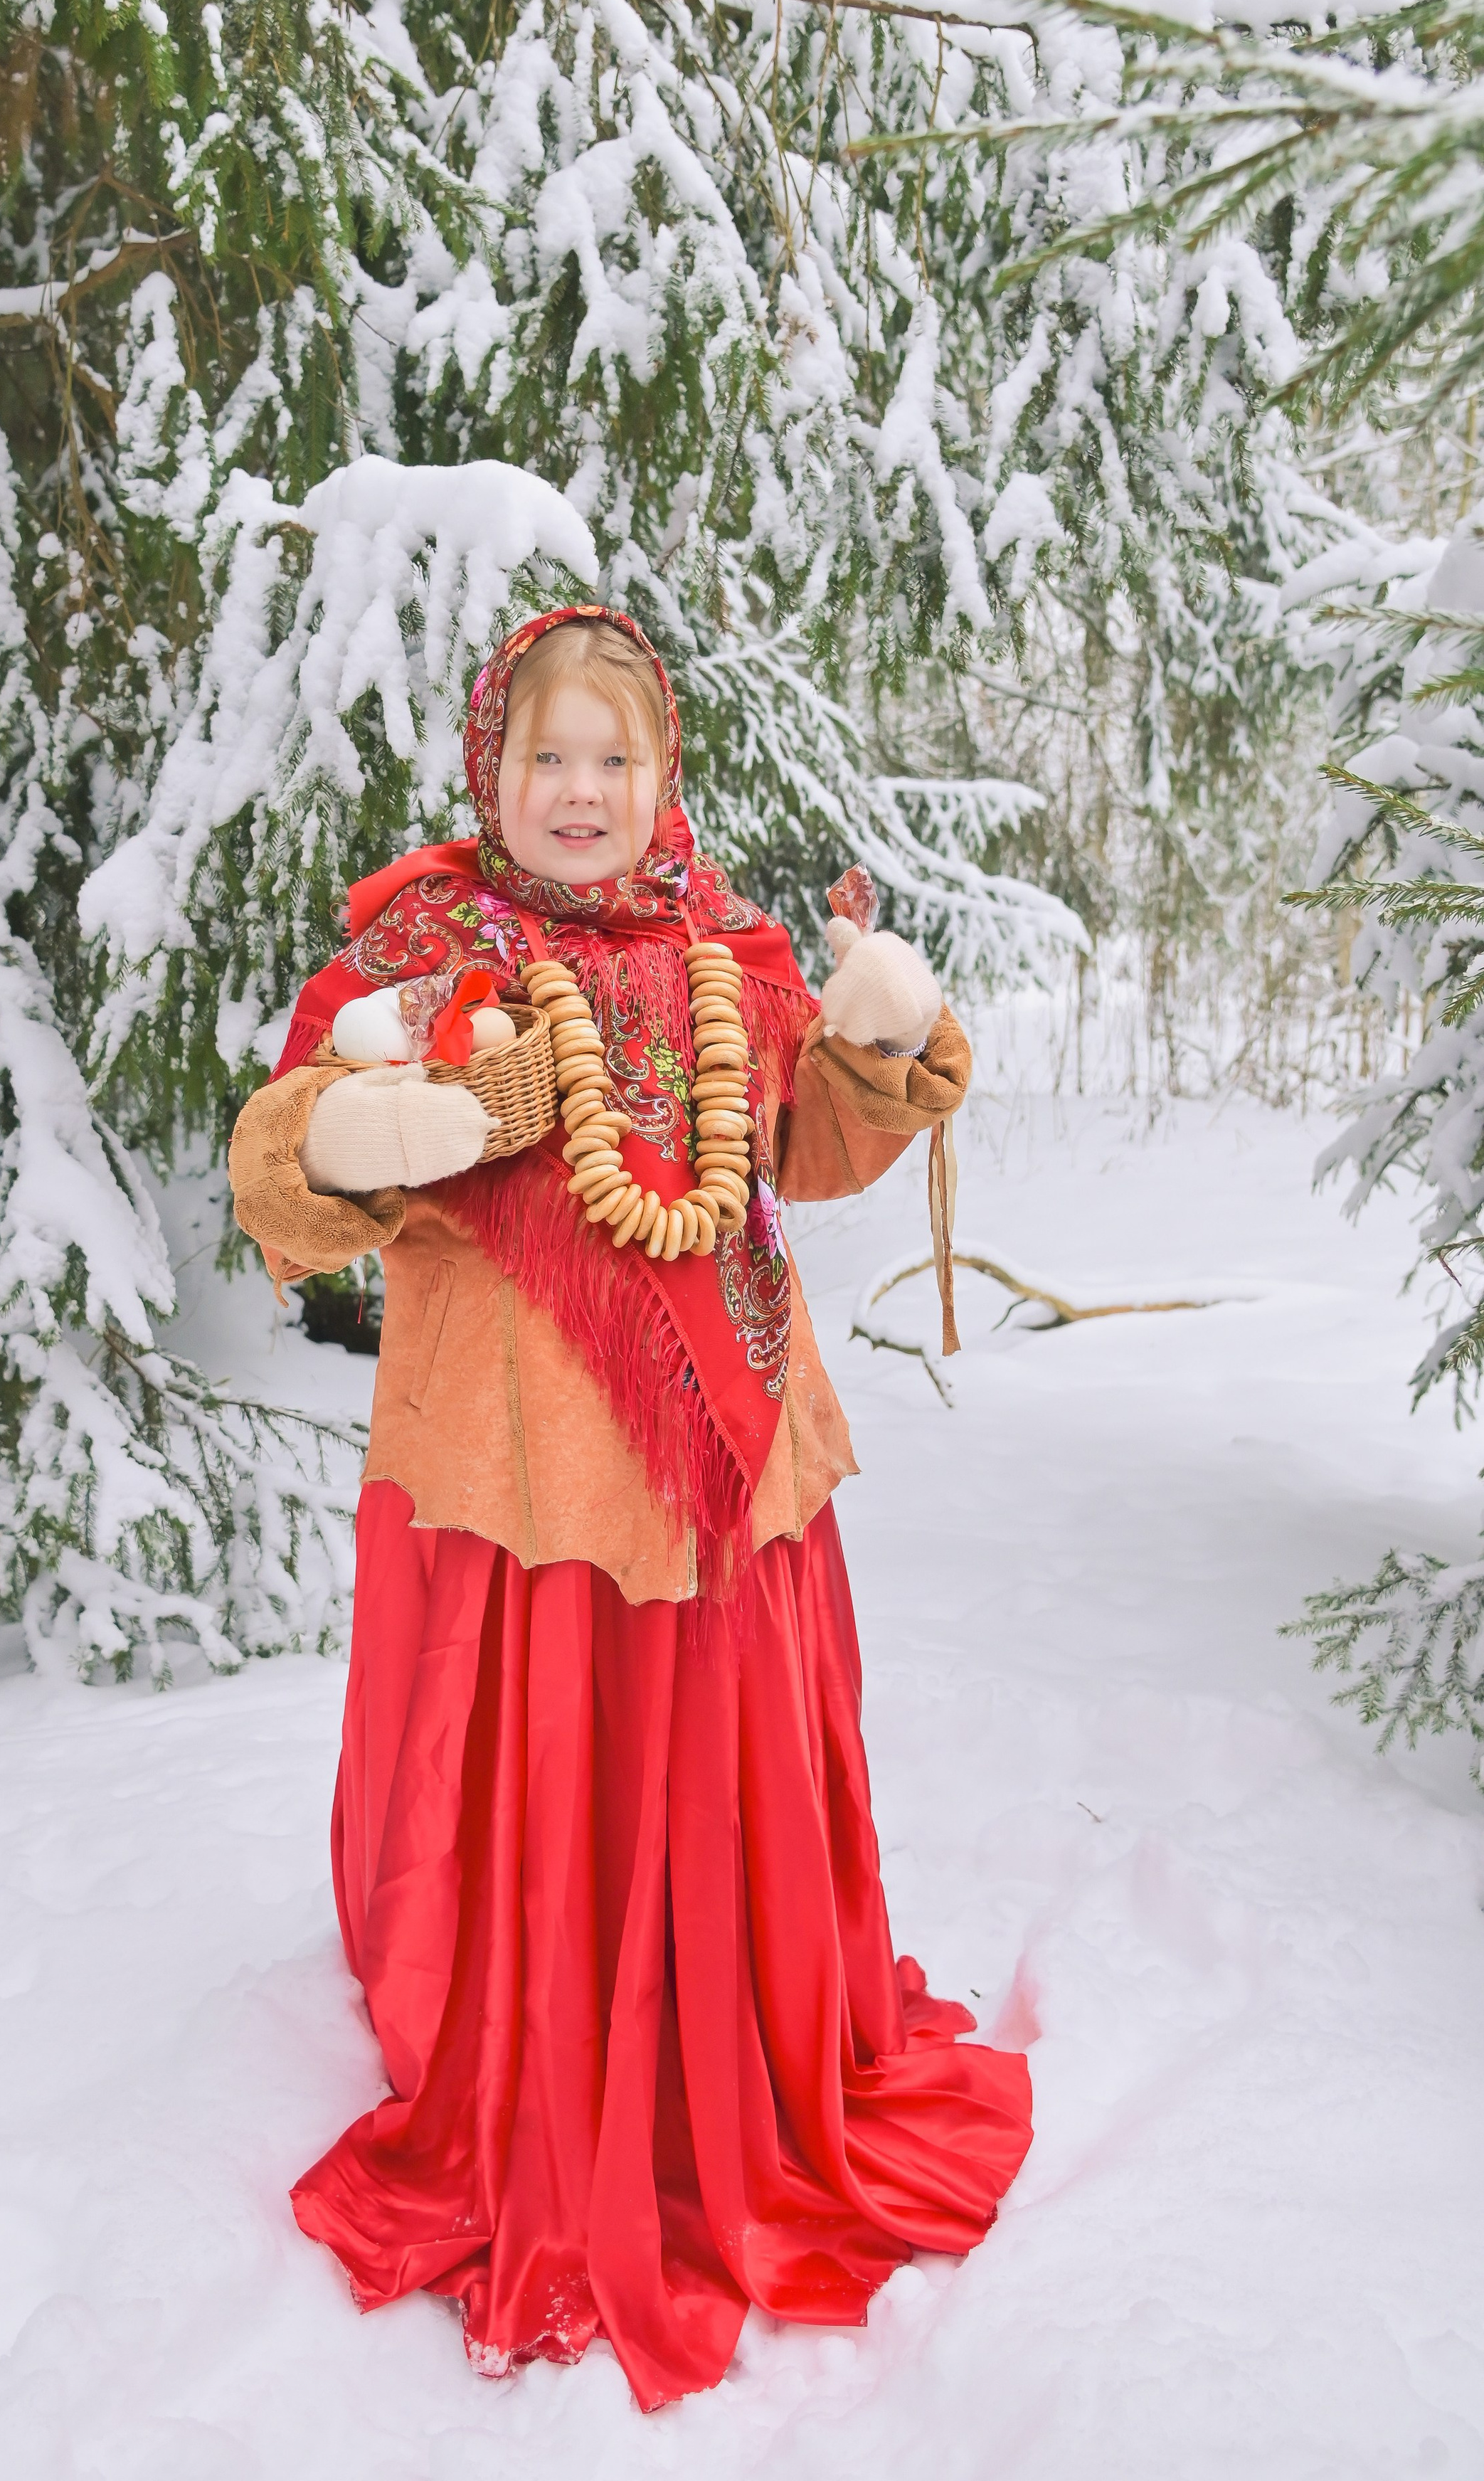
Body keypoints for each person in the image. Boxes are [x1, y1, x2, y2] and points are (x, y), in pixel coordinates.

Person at [228, 605, 1032, 2411]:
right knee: (548, 1785)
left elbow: (799, 1152)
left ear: (659, 776)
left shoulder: (726, 948)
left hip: (725, 1488)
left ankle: (729, 2048)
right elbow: (282, 1161)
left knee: (719, 1771)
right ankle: (546, 2060)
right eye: (546, 760)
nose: (579, 792)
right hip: (517, 1493)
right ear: (488, 775)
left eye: (614, 759)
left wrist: (876, 1035)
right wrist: (348, 1140)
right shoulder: (418, 956)